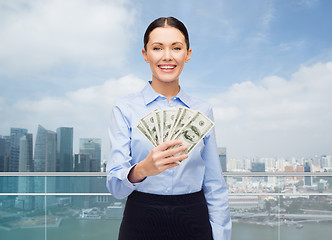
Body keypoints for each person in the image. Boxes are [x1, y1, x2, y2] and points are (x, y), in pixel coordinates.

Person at [106, 16, 231, 240]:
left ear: (188, 54)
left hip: (193, 219)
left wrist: (221, 235)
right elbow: (116, 187)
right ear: (145, 54)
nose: (167, 56)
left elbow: (214, 184)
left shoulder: (202, 110)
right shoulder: (124, 108)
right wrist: (143, 169)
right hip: (141, 219)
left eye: (176, 48)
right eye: (157, 48)